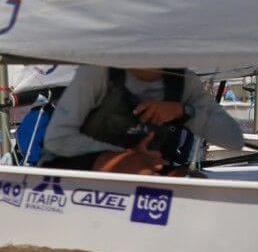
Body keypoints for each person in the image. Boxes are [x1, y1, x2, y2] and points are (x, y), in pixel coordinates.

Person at [39, 65, 244, 175]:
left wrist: (182, 111)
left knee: (192, 181)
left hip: (142, 172)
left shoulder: (184, 82)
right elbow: (57, 139)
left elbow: (233, 138)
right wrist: (122, 159)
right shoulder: (97, 74)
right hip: (78, 171)